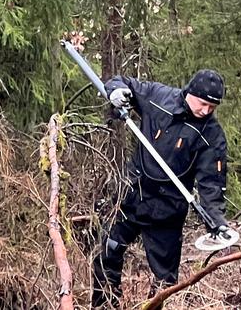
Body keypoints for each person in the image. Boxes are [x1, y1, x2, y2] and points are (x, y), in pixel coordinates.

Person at [92, 69, 231, 308]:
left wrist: (216, 219)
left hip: (167, 211)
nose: (206, 111)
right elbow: (124, 83)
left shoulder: (212, 135)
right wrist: (116, 91)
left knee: (165, 281)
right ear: (190, 93)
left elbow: (212, 183)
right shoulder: (158, 96)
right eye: (203, 103)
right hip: (131, 195)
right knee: (108, 251)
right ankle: (104, 305)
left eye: (212, 107)